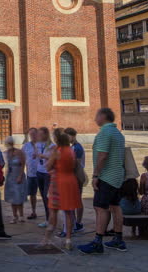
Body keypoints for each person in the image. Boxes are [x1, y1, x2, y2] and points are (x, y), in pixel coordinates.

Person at [78, 108, 127, 255]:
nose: (95, 119)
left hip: (106, 176)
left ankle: (97, 242)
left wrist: (96, 175)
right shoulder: (118, 133)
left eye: (96, 115)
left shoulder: (105, 133)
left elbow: (103, 155)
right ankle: (118, 239)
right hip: (118, 176)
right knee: (115, 206)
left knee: (100, 208)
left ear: (103, 116)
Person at [40, 128, 81, 250]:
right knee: (68, 212)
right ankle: (68, 240)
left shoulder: (56, 151)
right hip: (70, 182)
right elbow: (73, 166)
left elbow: (47, 167)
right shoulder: (71, 150)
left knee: (53, 211)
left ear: (57, 139)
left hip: (58, 182)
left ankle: (46, 239)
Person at [62, 127, 86, 235]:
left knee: (77, 200)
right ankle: (75, 222)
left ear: (72, 136)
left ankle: (78, 223)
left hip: (76, 177)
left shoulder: (77, 148)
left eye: (68, 136)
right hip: (73, 176)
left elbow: (75, 164)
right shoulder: (72, 147)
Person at [3, 136, 27, 224]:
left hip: (18, 175)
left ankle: (21, 215)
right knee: (12, 197)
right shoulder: (6, 153)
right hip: (10, 176)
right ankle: (14, 216)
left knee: (19, 196)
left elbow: (23, 164)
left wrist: (20, 176)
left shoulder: (19, 152)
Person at [34, 127, 52, 227]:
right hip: (39, 172)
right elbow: (36, 155)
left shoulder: (52, 145)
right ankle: (47, 219)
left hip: (47, 173)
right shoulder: (38, 144)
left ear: (46, 134)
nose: (39, 136)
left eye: (40, 134)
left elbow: (54, 157)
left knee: (47, 196)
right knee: (43, 196)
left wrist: (43, 156)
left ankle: (51, 219)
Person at [21, 128, 40, 220]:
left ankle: (50, 214)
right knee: (32, 194)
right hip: (31, 174)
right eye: (30, 135)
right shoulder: (26, 146)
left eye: (34, 134)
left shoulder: (41, 145)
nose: (32, 136)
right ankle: (33, 211)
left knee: (45, 194)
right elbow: (22, 159)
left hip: (42, 173)